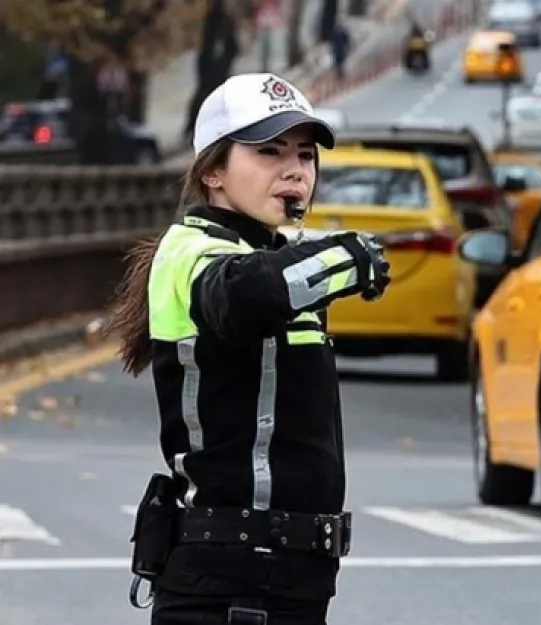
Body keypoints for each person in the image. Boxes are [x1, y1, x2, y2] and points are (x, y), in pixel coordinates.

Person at [103, 72, 393, 625]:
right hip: (229, 582)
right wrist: (345, 257)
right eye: (268, 151)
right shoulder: (189, 250)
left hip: (292, 580)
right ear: (213, 170)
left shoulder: (277, 254)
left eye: (306, 155)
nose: (294, 170)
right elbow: (244, 293)